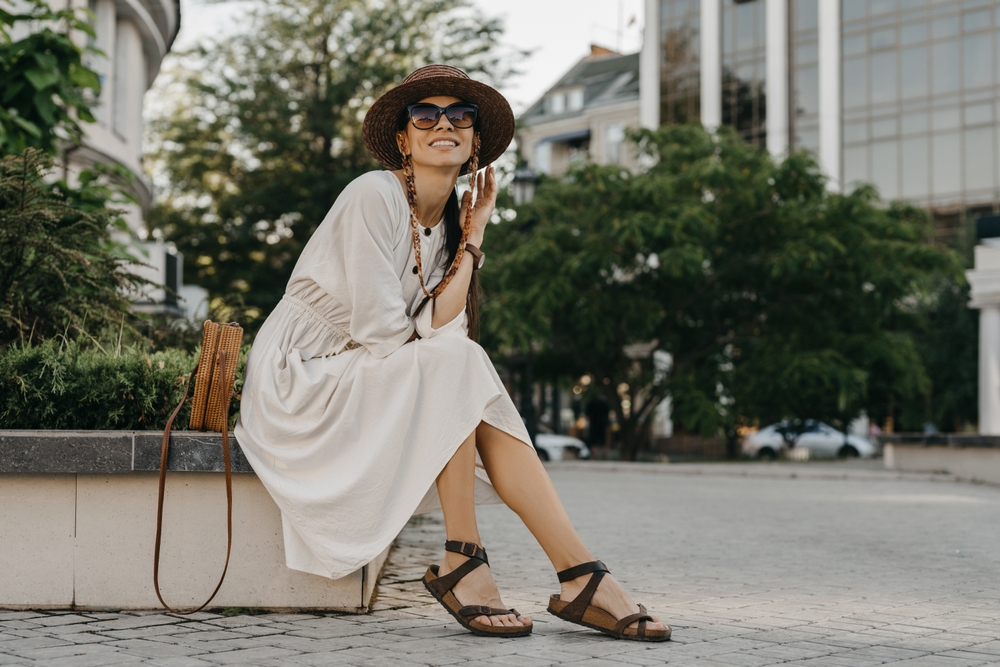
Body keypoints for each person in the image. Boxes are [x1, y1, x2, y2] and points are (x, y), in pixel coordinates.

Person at [234, 65, 669, 642]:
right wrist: (440, 343)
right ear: (403, 139)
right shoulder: (373, 194)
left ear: (474, 142)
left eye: (460, 116)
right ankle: (500, 564)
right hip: (302, 378)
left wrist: (475, 236)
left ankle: (571, 572)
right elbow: (391, 334)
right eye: (425, 115)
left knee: (457, 363)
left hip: (361, 373)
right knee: (455, 364)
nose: (445, 124)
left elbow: (443, 329)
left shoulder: (443, 231)